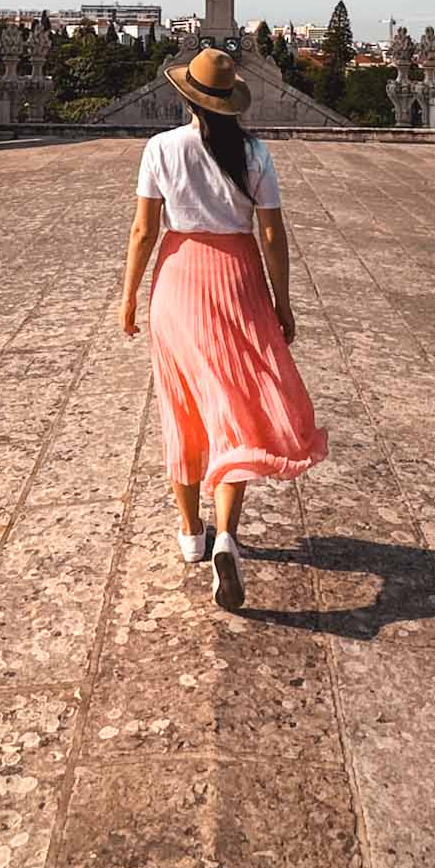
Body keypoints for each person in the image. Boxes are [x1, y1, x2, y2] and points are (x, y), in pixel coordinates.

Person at [119, 46, 327, 610]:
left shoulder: (161, 148)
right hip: (238, 279)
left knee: (182, 406)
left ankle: (191, 536)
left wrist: (129, 295)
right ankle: (226, 533)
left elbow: (144, 231)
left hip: (179, 278)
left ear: (188, 97)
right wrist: (282, 303)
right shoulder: (255, 152)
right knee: (234, 407)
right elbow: (272, 237)